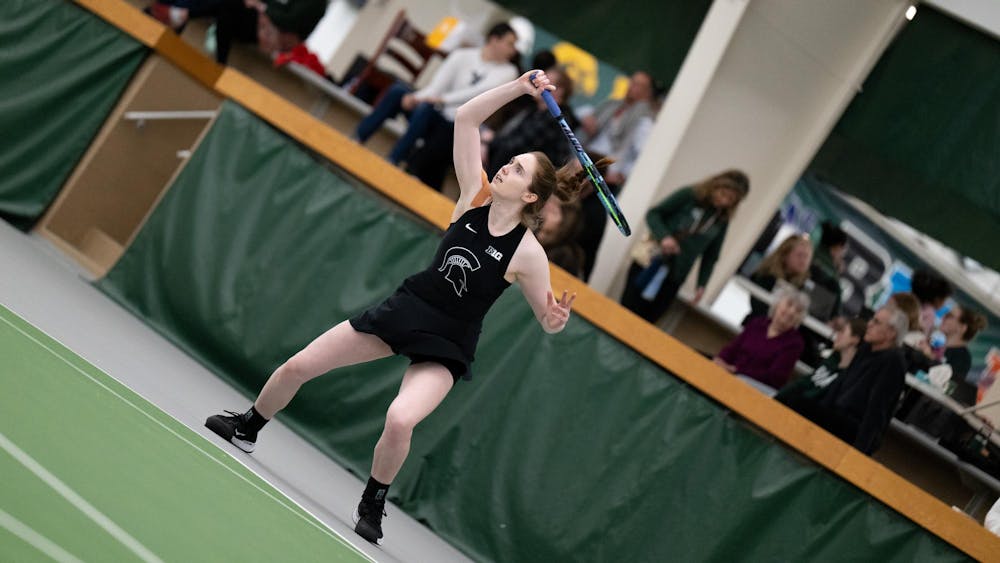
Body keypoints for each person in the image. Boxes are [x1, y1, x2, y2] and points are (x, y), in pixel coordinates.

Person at [204, 71, 579, 546]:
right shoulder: (474, 197)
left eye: (518, 170)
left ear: (530, 196)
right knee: (299, 365)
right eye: (510, 161)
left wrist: (554, 319)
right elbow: (466, 118)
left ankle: (372, 502)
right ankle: (249, 425)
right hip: (407, 309)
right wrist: (518, 89)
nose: (506, 167)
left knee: (401, 419)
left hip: (449, 342)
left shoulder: (527, 254)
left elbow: (546, 320)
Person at [353, 22, 520, 182]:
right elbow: (436, 87)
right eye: (510, 44)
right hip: (435, 111)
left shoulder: (509, 72)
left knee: (426, 109)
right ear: (494, 39)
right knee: (398, 92)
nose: (513, 50)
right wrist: (415, 98)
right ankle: (357, 139)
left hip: (455, 126)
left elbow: (478, 93)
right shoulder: (462, 55)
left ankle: (393, 160)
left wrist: (442, 100)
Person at [620, 169, 749, 323]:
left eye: (731, 199)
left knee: (648, 321)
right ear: (715, 186)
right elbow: (654, 214)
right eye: (723, 194)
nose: (724, 201)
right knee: (626, 311)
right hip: (650, 262)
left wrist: (701, 284)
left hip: (675, 276)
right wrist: (664, 237)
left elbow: (711, 256)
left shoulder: (722, 219)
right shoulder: (690, 195)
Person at [779, 305, 909, 455]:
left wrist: (858, 453)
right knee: (793, 399)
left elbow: (877, 411)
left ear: (891, 333)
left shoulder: (893, 362)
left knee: (798, 404)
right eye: (872, 319)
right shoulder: (866, 348)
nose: (869, 324)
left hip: (853, 427)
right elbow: (840, 383)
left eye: (877, 322)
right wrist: (821, 408)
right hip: (836, 414)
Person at [575, 71, 657, 280]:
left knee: (587, 222)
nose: (632, 88)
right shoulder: (613, 105)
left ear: (647, 93)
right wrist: (588, 120)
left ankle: (580, 273)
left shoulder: (644, 120)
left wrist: (622, 175)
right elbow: (584, 112)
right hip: (584, 161)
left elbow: (642, 154)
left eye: (639, 85)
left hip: (606, 174)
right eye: (632, 82)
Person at [145, 0, 327, 64]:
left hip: (267, 32)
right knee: (226, 8)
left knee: (228, 6)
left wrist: (262, 6)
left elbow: (289, 21)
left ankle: (180, 14)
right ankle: (179, 14)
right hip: (257, 20)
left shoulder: (316, 3)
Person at [484, 67, 577, 177]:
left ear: (559, 90)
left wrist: (490, 141)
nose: (537, 83)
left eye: (546, 81)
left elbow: (516, 146)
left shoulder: (555, 119)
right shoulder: (535, 110)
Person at [713, 288, 809, 393]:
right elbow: (732, 348)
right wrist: (720, 360)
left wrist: (735, 370)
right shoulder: (757, 323)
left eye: (798, 310)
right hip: (731, 373)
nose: (791, 312)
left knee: (739, 380)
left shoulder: (795, 343)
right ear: (777, 304)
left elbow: (775, 377)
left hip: (756, 387)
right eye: (789, 305)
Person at [776, 317, 867, 402]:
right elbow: (803, 383)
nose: (837, 334)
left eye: (843, 331)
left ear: (855, 339)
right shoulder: (832, 360)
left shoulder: (847, 378)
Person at [746, 234, 813, 321]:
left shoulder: (805, 286)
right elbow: (757, 306)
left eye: (807, 257)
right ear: (784, 255)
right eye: (799, 255)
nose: (803, 261)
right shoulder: (766, 275)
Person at [808, 221, 847, 321]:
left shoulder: (807, 256)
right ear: (837, 248)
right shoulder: (832, 281)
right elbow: (836, 316)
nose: (842, 256)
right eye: (843, 250)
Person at [939, 303, 987, 384]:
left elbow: (946, 383)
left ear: (962, 328)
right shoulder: (941, 348)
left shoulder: (962, 358)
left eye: (949, 316)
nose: (943, 317)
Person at [910, 268, 952, 336]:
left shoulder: (911, 303)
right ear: (937, 299)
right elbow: (920, 334)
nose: (944, 304)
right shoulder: (930, 313)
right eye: (944, 300)